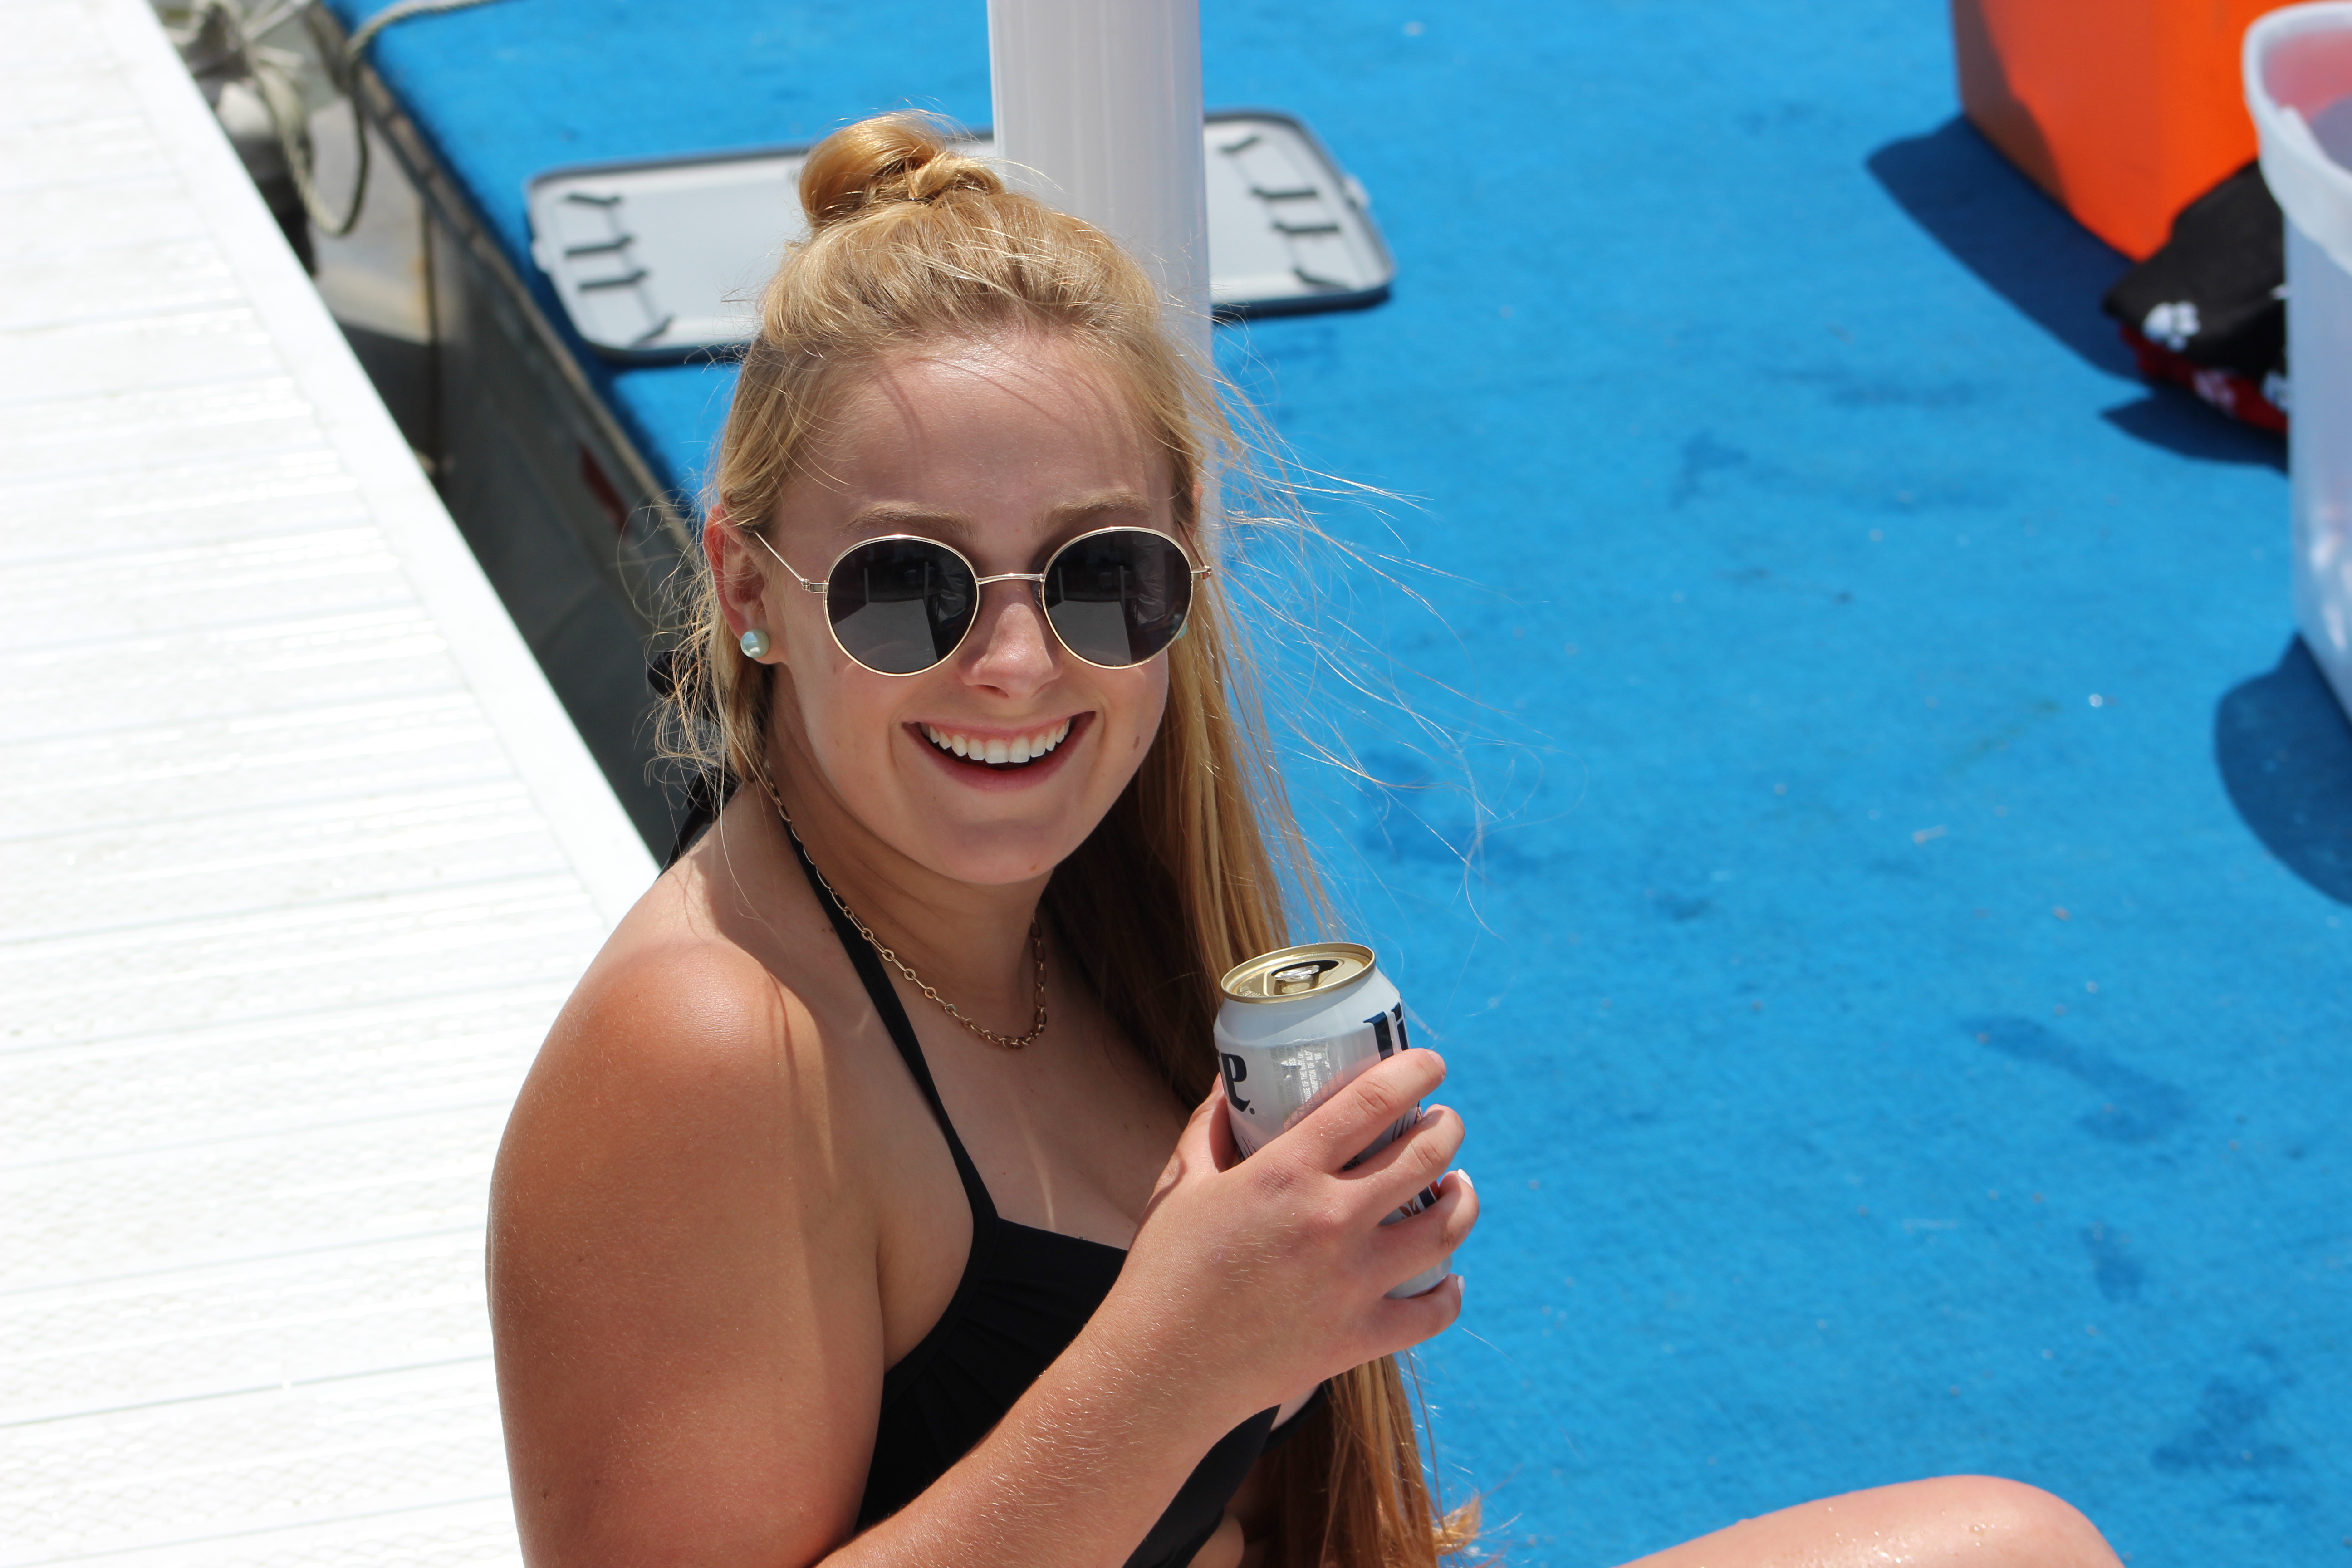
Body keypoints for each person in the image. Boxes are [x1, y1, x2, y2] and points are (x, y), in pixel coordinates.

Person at [486, 114, 2129, 1568]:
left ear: (1187, 571)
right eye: (904, 587)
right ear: (748, 589)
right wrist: (1192, 1353)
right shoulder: (710, 1046)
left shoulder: (1080, 921)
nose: (1014, 663)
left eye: (1097, 577)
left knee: (2014, 1547)